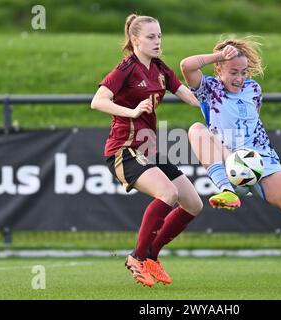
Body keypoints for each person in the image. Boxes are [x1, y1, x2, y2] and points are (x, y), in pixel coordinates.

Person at [180, 38, 281, 292]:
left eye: (243, 72)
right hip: (228, 161)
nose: (240, 78)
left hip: (262, 161)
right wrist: (216, 55)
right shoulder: (209, 88)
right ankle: (226, 191)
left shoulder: (254, 90)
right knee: (196, 129)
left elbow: (253, 122)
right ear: (219, 69)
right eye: (233, 72)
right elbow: (186, 65)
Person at [91, 14, 203, 287]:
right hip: (123, 149)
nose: (157, 41)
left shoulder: (161, 68)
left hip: (148, 149)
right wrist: (131, 111)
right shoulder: (126, 69)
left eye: (160, 36)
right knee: (169, 193)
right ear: (134, 39)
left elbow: (190, 97)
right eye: (151, 37)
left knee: (193, 204)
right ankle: (137, 257)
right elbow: (98, 101)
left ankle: (151, 256)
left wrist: (219, 97)